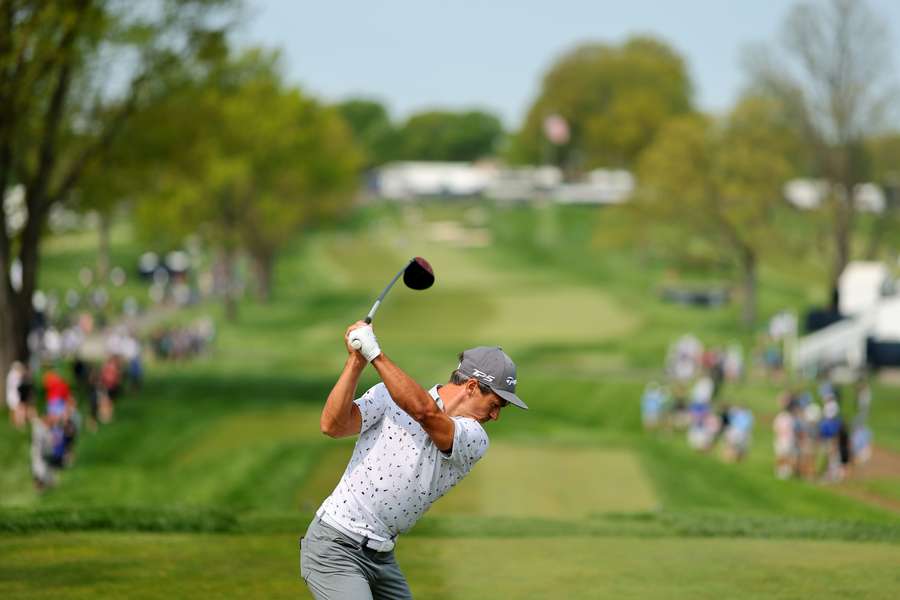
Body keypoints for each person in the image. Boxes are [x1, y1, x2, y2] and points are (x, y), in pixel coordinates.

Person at [300, 322, 527, 599]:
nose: (496, 416)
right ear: (470, 386)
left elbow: (426, 414)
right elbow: (332, 425)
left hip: (382, 557)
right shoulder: (388, 396)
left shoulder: (474, 438)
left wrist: (375, 353)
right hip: (335, 545)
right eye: (495, 404)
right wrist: (356, 361)